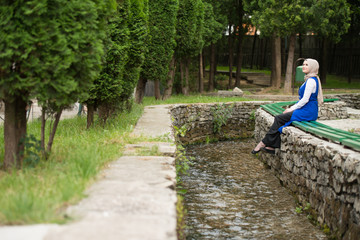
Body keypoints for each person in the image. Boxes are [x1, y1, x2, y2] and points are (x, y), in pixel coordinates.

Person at [251, 58, 324, 154]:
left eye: (307, 65)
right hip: (307, 109)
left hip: (307, 111)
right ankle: (271, 147)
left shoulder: (311, 81)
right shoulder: (310, 79)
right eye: (303, 64)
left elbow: (305, 99)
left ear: (313, 67)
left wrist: (291, 109)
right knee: (281, 119)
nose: (304, 66)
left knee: (279, 118)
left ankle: (263, 143)